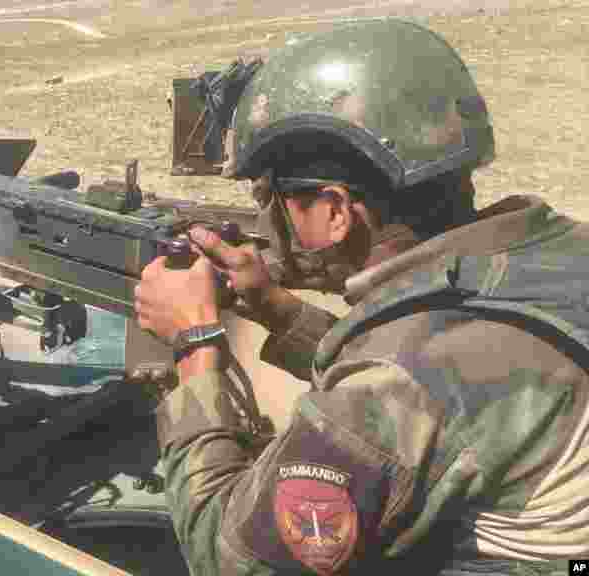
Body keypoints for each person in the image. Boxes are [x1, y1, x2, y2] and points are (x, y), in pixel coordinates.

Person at [134, 19, 588, 576]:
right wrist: (277, 310)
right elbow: (445, 392)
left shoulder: (402, 379)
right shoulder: (551, 251)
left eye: (270, 195)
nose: (266, 217)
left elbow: (231, 560)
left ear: (335, 211)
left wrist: (196, 343)